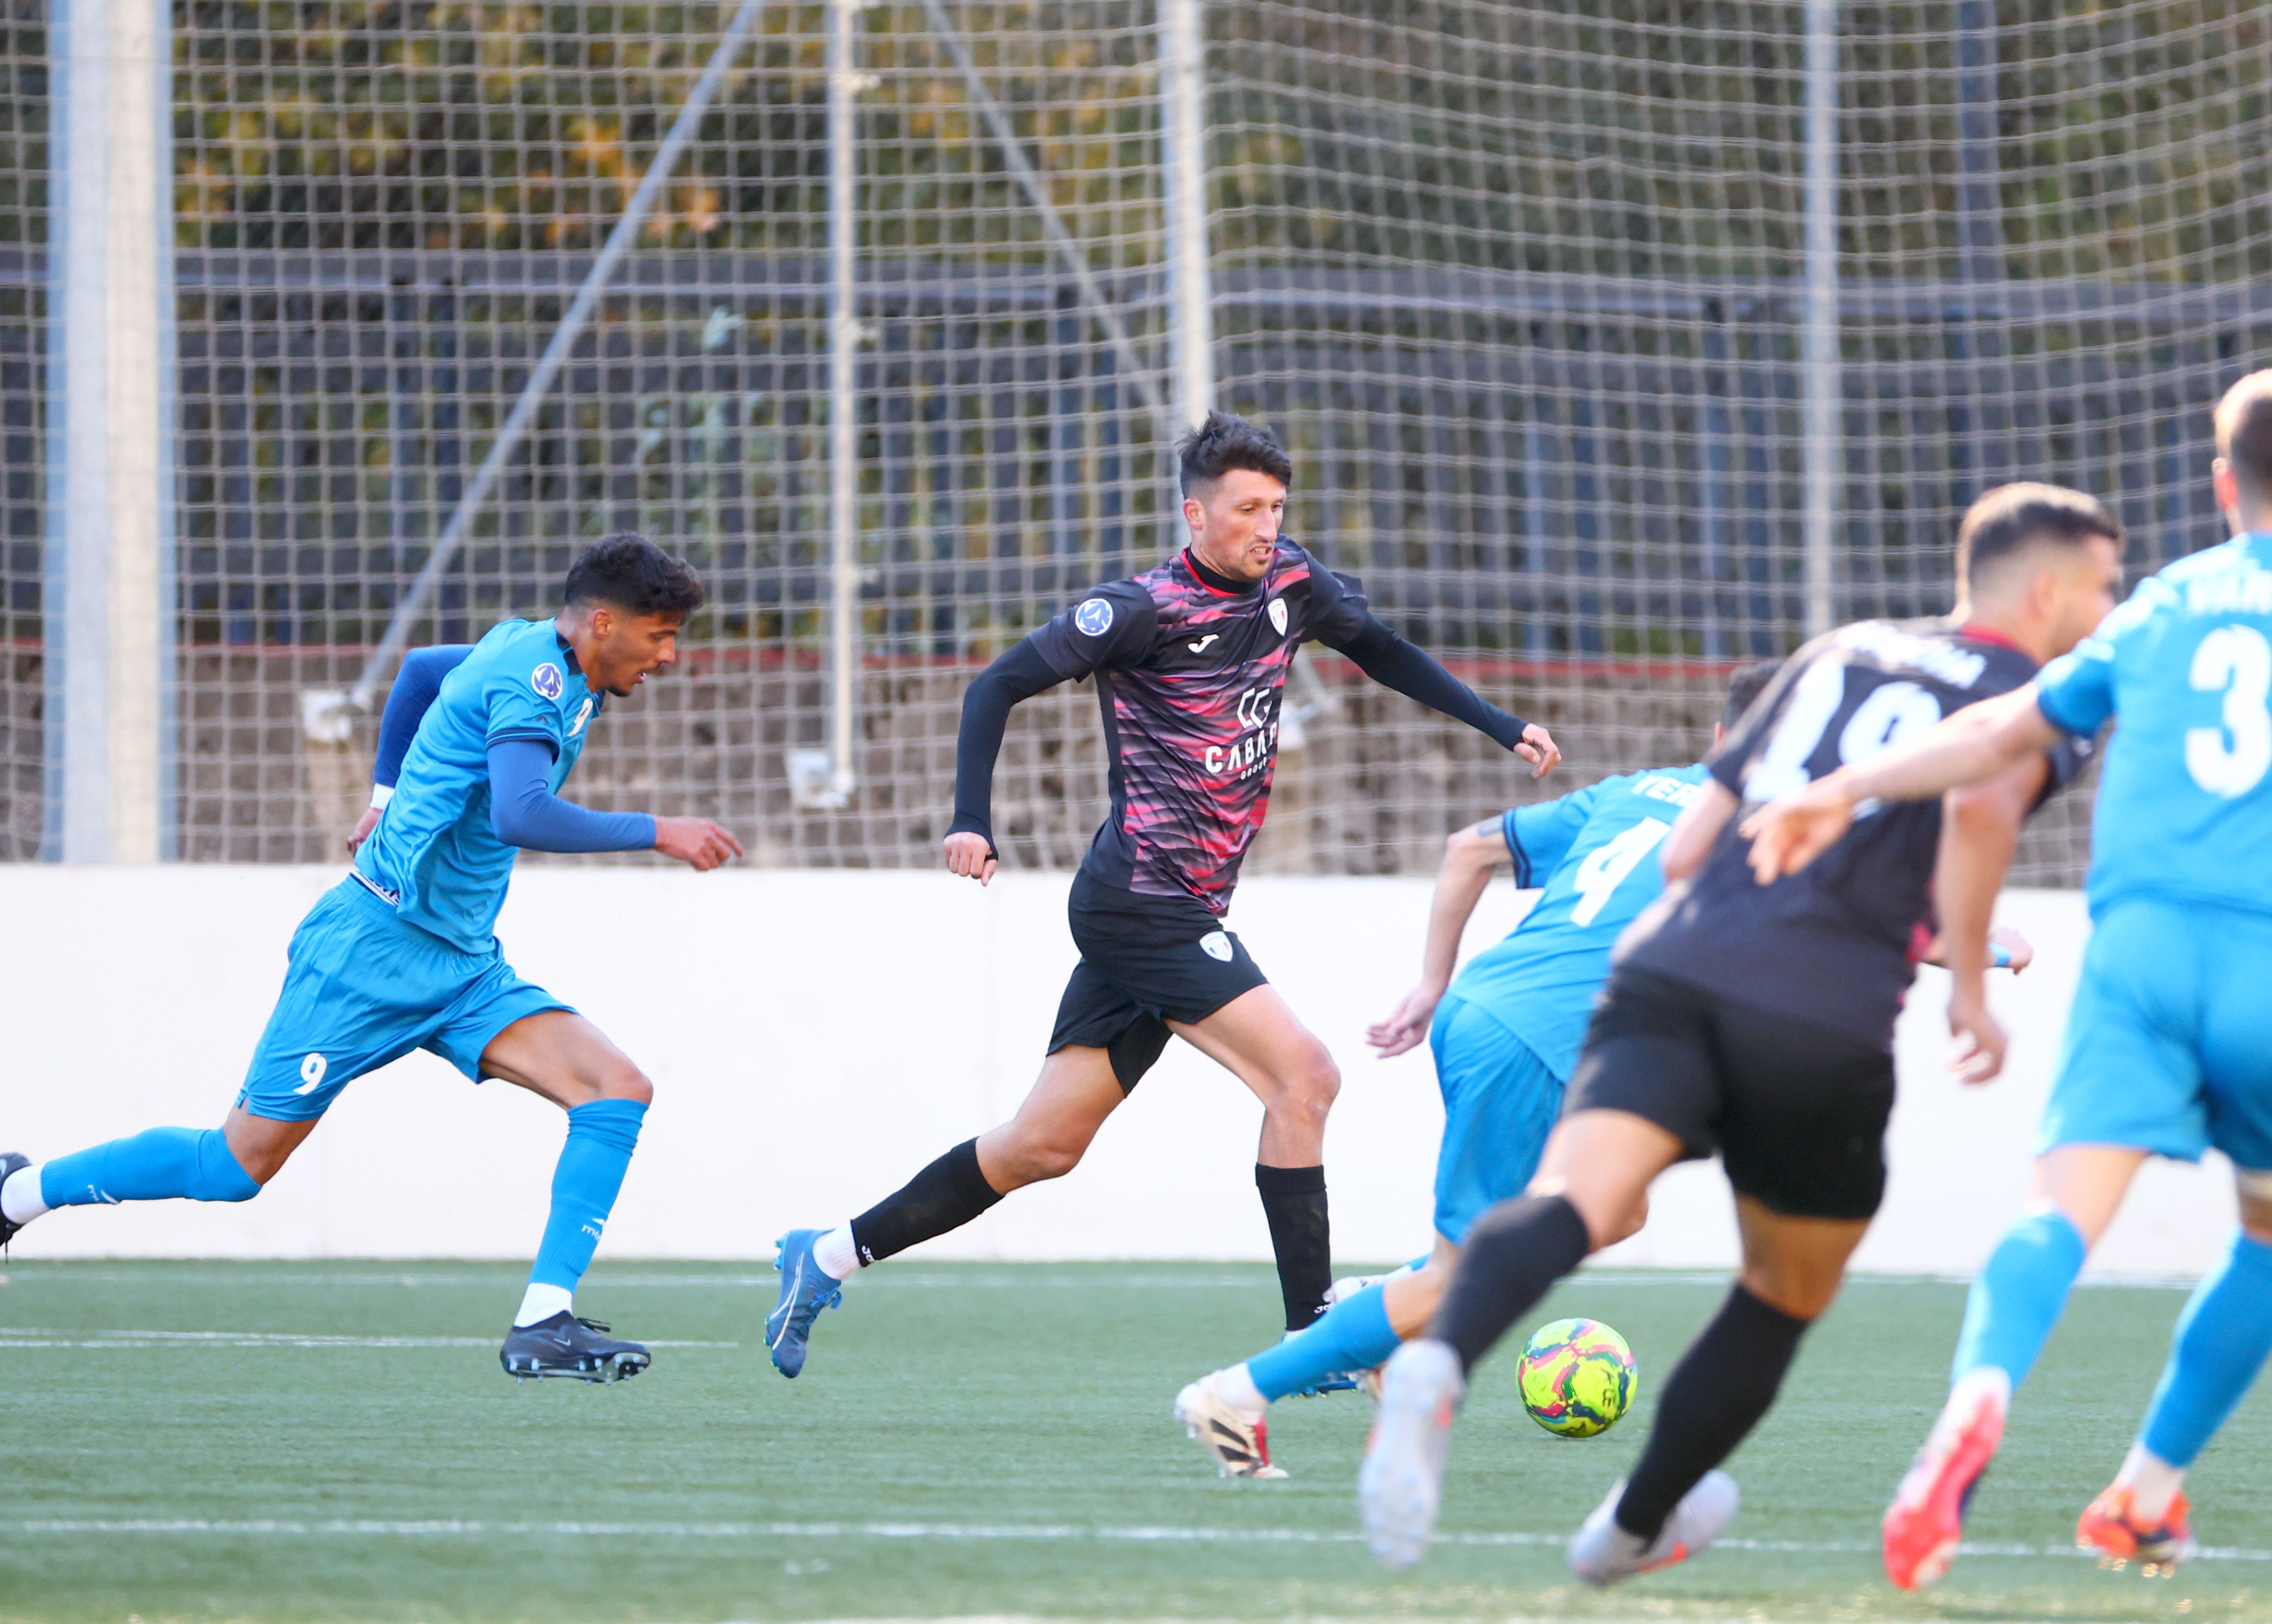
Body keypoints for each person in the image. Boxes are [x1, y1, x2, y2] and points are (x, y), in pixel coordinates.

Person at [1356, 482, 2122, 1584]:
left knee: (1575, 1199)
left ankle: (1436, 1366)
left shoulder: (1839, 652)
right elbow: (1981, 813)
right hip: (1820, 1015)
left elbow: (1687, 850)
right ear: (2046, 588)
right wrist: (1968, 988)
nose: (2110, 606)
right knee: (1783, 1287)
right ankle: (1631, 1527)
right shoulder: (2042, 695)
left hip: (1670, 969)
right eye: (2103, 585)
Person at [761, 412, 1562, 1379]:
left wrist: (1497, 722)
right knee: (1304, 1077)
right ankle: (1314, 1332)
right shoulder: (1142, 609)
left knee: (1042, 1145)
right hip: (1144, 900)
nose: (1267, 525)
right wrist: (971, 817)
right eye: (1247, 508)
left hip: (1174, 906)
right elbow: (996, 685)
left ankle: (827, 1254)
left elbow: (1382, 648)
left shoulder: (1292, 583)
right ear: (1196, 513)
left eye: (1277, 506)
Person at [0, 535, 746, 1382]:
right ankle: (16, 1194)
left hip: (462, 966)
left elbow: (425, 669)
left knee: (616, 1088)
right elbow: (521, 813)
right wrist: (660, 829)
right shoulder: (532, 680)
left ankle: (543, 1320)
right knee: (233, 1167)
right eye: (658, 634)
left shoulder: (539, 648)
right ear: (604, 622)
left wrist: (384, 795)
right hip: (369, 952)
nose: (668, 655)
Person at [1746, 373, 2272, 1588]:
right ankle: (2143, 1490)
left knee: (2058, 1217)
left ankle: (1977, 1402)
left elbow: (1996, 738)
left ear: (2220, 482)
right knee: (2263, 1237)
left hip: (2141, 954)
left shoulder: (2164, 604)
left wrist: (1840, 786)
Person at [1173, 661, 1794, 1477]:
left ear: (1719, 737)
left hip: (1492, 1010)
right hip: (1535, 1042)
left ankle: (1379, 1305)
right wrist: (1980, 950)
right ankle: (1236, 1393)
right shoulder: (1774, 830)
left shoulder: (1638, 790)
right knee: (1456, 1280)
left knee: (1619, 1207)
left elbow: (1467, 849)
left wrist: (1433, 983)